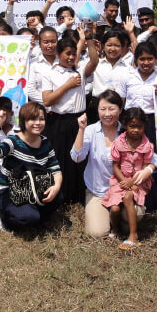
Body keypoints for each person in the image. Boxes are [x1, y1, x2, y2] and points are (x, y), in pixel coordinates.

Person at [71, 91, 155, 239]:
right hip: (98, 190)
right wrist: (81, 130)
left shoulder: (129, 129)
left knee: (136, 215)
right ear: (97, 110)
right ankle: (109, 220)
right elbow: (77, 157)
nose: (107, 114)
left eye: (111, 109)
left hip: (125, 188)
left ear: (120, 110)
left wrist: (149, 169)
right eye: (102, 109)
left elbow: (152, 156)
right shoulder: (90, 130)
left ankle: (122, 224)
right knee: (96, 233)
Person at [116, 41, 157, 213]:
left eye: (150, 59)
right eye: (142, 59)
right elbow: (120, 102)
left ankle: (156, 202)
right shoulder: (127, 76)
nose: (146, 63)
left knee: (152, 161)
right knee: (130, 160)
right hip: (130, 123)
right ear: (136, 59)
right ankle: (129, 199)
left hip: (154, 123)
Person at [42, 28, 99, 204]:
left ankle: (80, 195)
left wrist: (88, 39)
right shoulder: (50, 73)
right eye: (67, 54)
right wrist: (67, 85)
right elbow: (47, 100)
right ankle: (62, 195)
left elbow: (94, 61)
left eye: (74, 54)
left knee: (81, 157)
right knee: (61, 158)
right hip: (59, 120)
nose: (70, 57)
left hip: (79, 121)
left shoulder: (79, 70)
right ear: (58, 54)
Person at [0, 101, 63, 232]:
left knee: (58, 197)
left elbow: (55, 169)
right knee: (30, 217)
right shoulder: (13, 141)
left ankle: (34, 214)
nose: (38, 123)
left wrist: (56, 187)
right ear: (23, 121)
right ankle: (5, 217)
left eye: (41, 119)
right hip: (9, 190)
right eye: (33, 119)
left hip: (32, 187)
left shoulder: (45, 142)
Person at [99, 108, 153, 249]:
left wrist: (132, 182)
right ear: (125, 126)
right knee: (115, 209)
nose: (135, 130)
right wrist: (125, 181)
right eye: (132, 126)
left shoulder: (147, 146)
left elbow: (146, 168)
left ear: (144, 126)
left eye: (139, 126)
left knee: (128, 197)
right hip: (120, 180)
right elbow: (115, 166)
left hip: (138, 182)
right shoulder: (119, 143)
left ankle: (133, 236)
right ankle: (115, 230)